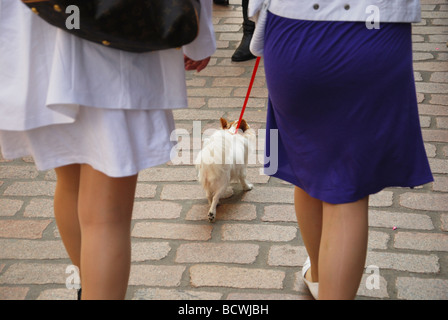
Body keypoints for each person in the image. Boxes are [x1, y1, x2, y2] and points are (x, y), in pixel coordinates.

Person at [0, 0, 215, 300]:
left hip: (41, 29)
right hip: (117, 37)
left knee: (71, 178)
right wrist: (199, 35)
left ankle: (88, 289)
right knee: (105, 214)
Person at [250, 0, 433, 299]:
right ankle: (326, 282)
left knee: (306, 160)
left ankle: (321, 278)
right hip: (373, 32)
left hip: (294, 29)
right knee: (346, 188)